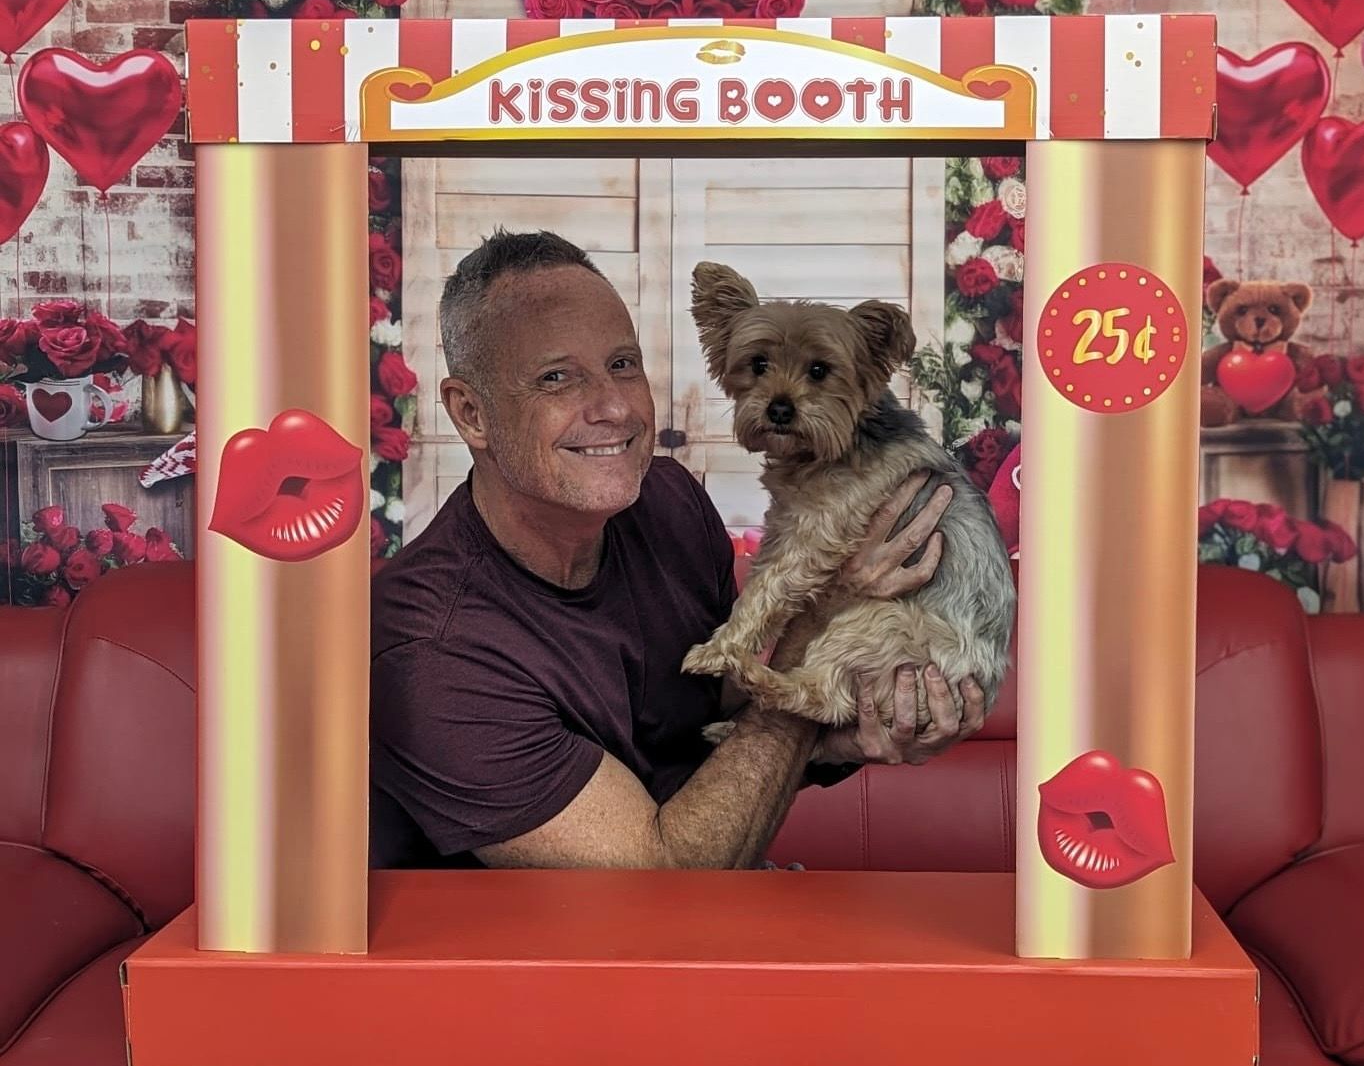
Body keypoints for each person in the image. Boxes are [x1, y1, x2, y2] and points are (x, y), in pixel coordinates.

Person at [370, 230, 987, 870]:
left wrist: (840, 740)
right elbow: (662, 882)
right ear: (471, 413)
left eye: (622, 364)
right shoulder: (431, 648)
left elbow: (708, 731)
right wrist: (824, 618)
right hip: (547, 953)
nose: (613, 407)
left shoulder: (663, 498)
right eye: (557, 378)